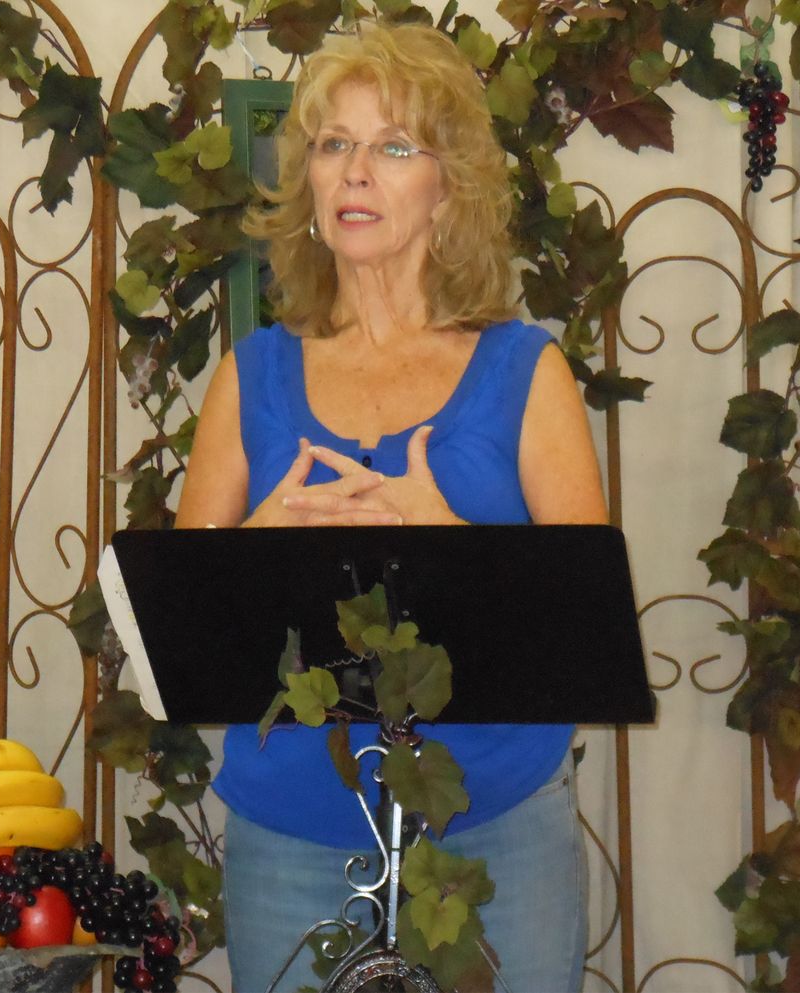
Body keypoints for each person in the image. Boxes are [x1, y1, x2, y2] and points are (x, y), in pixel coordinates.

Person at [175, 22, 607, 992]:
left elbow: (581, 622)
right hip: (289, 829)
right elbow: (187, 625)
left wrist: (452, 544)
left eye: (392, 146)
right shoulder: (249, 379)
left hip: (494, 822)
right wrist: (261, 541)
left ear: (446, 186)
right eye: (333, 145)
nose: (355, 171)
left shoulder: (525, 372)